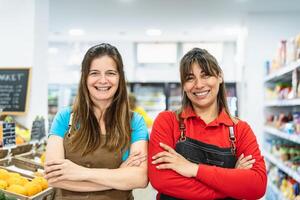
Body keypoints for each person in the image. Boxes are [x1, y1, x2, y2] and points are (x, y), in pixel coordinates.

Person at [148, 48, 267, 200]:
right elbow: (161, 180)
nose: (198, 85)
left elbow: (257, 185)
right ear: (184, 85)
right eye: (190, 78)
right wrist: (231, 185)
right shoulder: (168, 122)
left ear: (220, 76)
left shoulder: (240, 130)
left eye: (206, 75)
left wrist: (193, 169)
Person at [44, 43, 148, 200]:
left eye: (111, 73)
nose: (103, 80)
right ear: (84, 77)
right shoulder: (65, 117)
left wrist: (81, 173)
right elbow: (54, 177)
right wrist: (119, 176)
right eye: (95, 73)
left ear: (120, 77)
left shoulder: (134, 122)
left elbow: (140, 178)